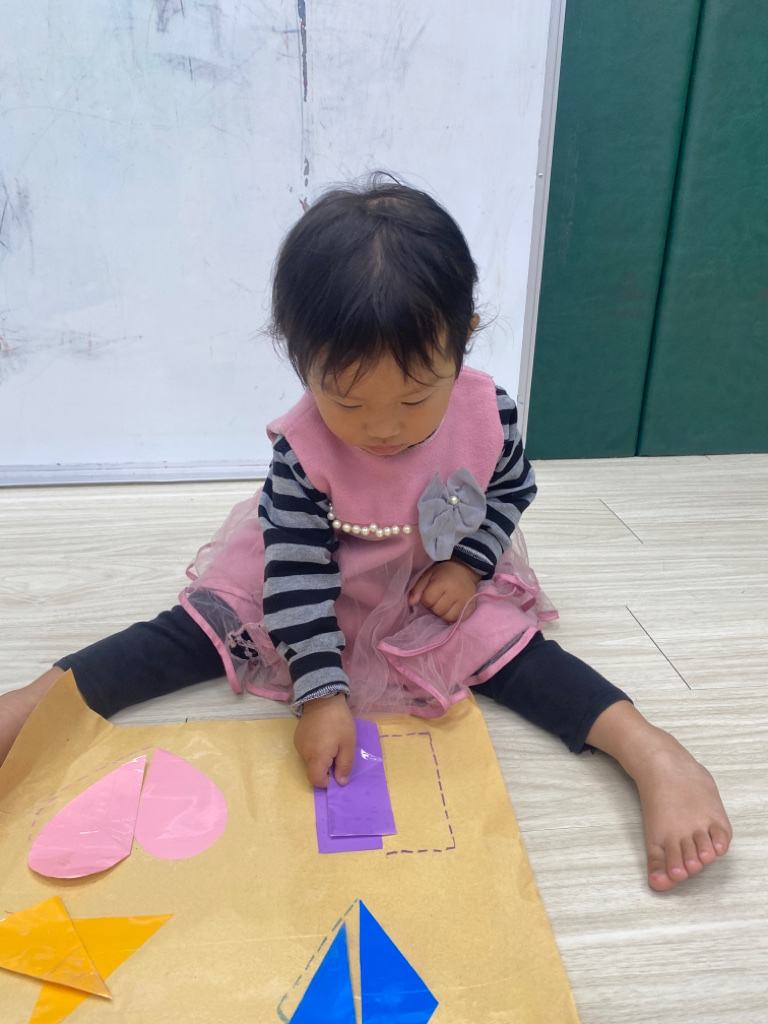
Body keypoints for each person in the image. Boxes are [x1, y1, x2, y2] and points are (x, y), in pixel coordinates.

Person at [0, 178, 731, 892]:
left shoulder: (490, 414)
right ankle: (35, 703)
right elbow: (295, 577)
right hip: (300, 580)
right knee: (187, 633)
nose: (383, 428)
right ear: (299, 357)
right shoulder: (302, 452)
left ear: (463, 339)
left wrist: (470, 566)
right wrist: (321, 694)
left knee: (512, 649)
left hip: (423, 579)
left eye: (415, 398)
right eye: (348, 402)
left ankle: (648, 749)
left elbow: (511, 489)